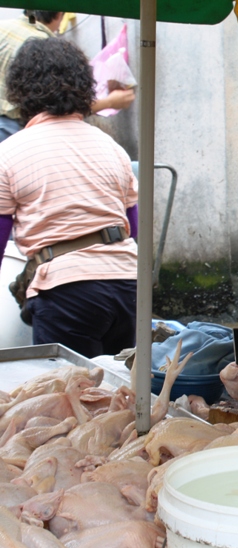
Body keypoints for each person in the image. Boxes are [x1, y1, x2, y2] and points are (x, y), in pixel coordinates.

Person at [0, 37, 139, 358]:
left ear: (20, 91)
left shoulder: (10, 153)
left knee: (71, 395)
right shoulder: (111, 148)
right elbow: (133, 227)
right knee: (121, 392)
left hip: (66, 290)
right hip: (128, 286)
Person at [0, 10, 135, 141]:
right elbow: (62, 108)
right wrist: (110, 101)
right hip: (15, 128)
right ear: (59, 14)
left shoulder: (3, 28)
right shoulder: (46, 49)